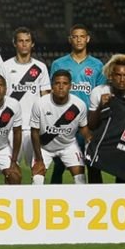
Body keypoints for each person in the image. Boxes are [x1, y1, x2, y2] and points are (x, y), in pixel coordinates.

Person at [49, 25, 104, 183]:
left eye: (82, 36)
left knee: (92, 164)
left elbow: (99, 94)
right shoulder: (58, 64)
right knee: (59, 165)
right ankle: (53, 200)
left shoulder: (97, 65)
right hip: (64, 121)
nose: (79, 39)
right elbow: (53, 92)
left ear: (87, 39)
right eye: (75, 36)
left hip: (89, 122)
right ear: (70, 39)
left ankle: (95, 199)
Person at [0, 27, 50, 177]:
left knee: (38, 171)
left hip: (34, 127)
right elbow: (0, 97)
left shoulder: (40, 68)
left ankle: (36, 200)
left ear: (32, 44)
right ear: (15, 43)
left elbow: (45, 97)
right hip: (11, 128)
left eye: (27, 41)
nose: (24, 44)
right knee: (10, 172)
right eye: (21, 41)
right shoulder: (5, 67)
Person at [29, 70, 89, 185]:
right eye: (57, 83)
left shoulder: (79, 105)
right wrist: (39, 160)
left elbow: (83, 128)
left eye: (65, 83)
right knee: (37, 181)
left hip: (68, 145)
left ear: (70, 86)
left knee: (81, 179)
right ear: (52, 86)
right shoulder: (40, 104)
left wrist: (90, 139)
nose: (61, 87)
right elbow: (34, 132)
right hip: (44, 147)